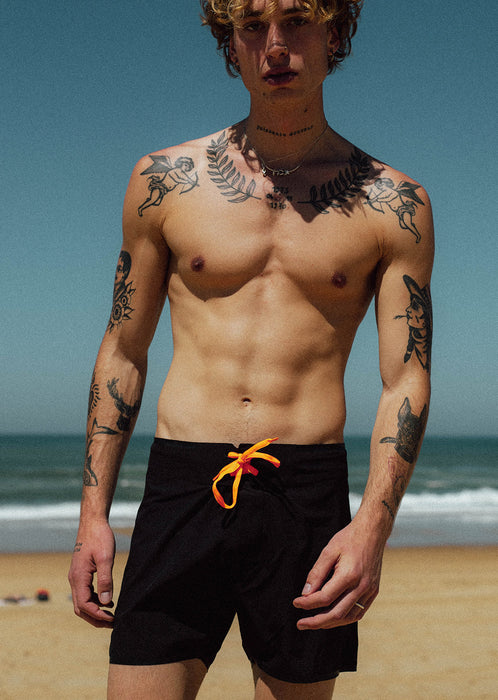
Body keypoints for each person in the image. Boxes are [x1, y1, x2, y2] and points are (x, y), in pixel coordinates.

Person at [68, 1, 434, 698]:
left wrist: (371, 528)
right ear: (229, 42)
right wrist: (92, 519)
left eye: (296, 20)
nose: (274, 45)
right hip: (182, 484)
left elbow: (406, 381)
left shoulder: (395, 204)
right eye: (252, 25)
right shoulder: (164, 182)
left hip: (305, 495)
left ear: (334, 33)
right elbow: (122, 353)